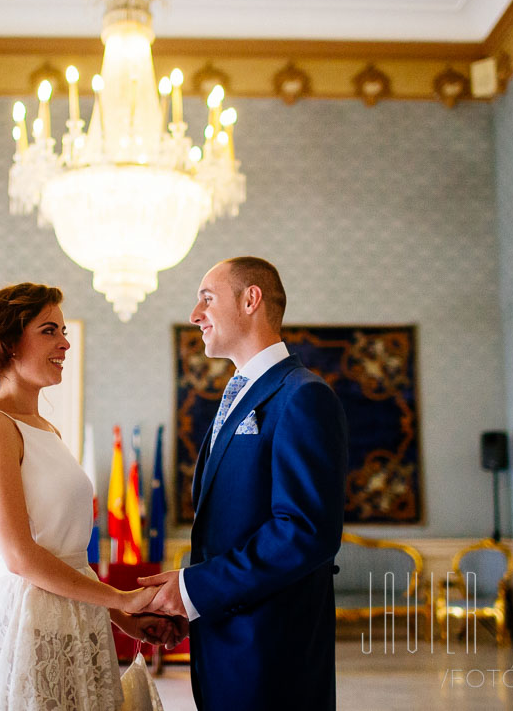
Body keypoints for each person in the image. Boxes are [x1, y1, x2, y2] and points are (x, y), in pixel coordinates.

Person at [0, 282, 178, 711]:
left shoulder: (47, 430)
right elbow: (19, 556)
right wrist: (121, 598)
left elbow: (68, 557)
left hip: (79, 622)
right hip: (28, 626)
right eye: (49, 331)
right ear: (9, 342)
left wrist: (124, 619)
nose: (66, 343)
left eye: (64, 331)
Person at [139, 257, 348, 711]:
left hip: (272, 655)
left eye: (207, 298)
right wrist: (192, 599)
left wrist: (195, 589)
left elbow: (304, 532)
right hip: (225, 642)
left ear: (251, 299)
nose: (195, 314)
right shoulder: (237, 395)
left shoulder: (302, 395)